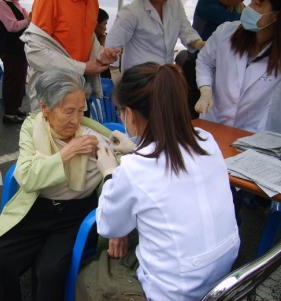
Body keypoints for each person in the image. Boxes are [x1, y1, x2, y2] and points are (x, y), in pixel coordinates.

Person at [88, 62, 240, 300]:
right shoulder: (206, 139)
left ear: (128, 114)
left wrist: (109, 172)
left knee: (89, 278)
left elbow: (109, 226)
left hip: (176, 289)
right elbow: (167, 163)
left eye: (120, 111)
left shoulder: (134, 168)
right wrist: (136, 148)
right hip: (225, 273)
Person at [0, 70, 123, 301]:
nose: (76, 119)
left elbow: (119, 173)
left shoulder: (92, 135)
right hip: (36, 207)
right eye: (68, 111)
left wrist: (119, 226)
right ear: (45, 108)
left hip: (74, 214)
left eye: (81, 110)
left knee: (49, 273)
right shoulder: (32, 128)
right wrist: (68, 152)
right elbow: (26, 177)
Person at [195, 0, 281, 132]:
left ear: (275, 15)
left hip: (251, 135)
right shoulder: (226, 32)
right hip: (213, 124)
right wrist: (205, 90)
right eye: (251, 2)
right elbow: (204, 61)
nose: (249, 9)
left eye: (257, 5)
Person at [20, 0, 120, 112]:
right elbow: (34, 52)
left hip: (78, 91)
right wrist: (83, 68)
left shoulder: (93, 3)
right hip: (51, 93)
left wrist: (100, 54)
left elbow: (87, 34)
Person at [105, 0, 205, 72]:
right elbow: (111, 47)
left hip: (165, 75)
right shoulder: (131, 11)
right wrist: (118, 83)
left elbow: (186, 31)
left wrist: (198, 43)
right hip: (138, 80)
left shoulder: (175, 5)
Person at [0, 0, 29, 124]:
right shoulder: (1, 4)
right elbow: (12, 26)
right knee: (12, 79)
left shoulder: (17, 5)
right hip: (9, 50)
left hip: (19, 49)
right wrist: (28, 20)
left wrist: (28, 18)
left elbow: (25, 21)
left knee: (19, 79)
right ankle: (9, 113)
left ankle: (15, 108)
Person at [95, 8, 111, 79]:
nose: (105, 28)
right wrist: (102, 42)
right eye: (104, 24)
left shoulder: (99, 38)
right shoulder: (89, 40)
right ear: (96, 24)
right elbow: (99, 61)